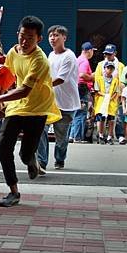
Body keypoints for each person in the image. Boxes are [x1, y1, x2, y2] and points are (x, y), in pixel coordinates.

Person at [0, 16, 61, 207]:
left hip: (37, 108)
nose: (24, 41)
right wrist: (0, 98)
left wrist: (1, 99)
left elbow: (24, 90)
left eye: (30, 37)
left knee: (24, 153)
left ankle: (31, 159)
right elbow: (7, 76)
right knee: (3, 146)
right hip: (17, 106)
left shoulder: (40, 61)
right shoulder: (13, 51)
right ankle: (13, 191)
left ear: (39, 39)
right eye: (22, 35)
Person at [37, 25, 80, 170]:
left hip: (66, 104)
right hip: (50, 102)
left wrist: (39, 85)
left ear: (64, 38)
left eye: (56, 35)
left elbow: (60, 79)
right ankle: (41, 162)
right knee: (41, 129)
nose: (52, 38)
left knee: (61, 139)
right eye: (50, 36)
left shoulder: (69, 56)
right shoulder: (51, 55)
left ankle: (60, 159)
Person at [70, 41, 95, 142]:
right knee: (81, 112)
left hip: (76, 87)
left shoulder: (77, 59)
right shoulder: (84, 61)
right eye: (92, 51)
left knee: (76, 112)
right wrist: (92, 77)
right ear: (89, 51)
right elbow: (81, 75)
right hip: (82, 87)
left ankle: (72, 135)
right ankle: (77, 137)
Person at [94, 61, 120, 144]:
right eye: (108, 68)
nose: (110, 70)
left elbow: (116, 92)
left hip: (111, 102)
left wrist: (110, 98)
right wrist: (105, 96)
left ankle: (109, 137)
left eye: (111, 68)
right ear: (104, 69)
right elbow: (97, 91)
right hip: (101, 102)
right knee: (101, 119)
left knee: (111, 120)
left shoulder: (115, 80)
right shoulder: (99, 79)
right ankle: (101, 135)